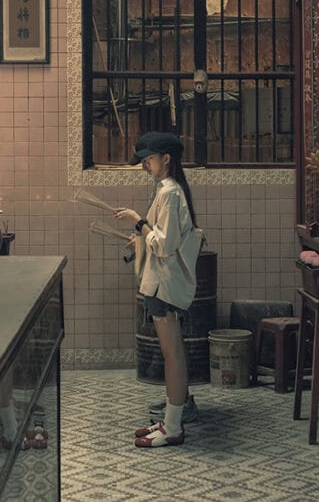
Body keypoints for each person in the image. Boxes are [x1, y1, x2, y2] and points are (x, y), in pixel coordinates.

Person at [114, 132, 202, 448]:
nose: (145, 166)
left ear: (166, 158)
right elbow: (163, 236)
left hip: (164, 284)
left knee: (173, 354)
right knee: (171, 354)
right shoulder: (168, 190)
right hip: (159, 282)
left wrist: (139, 223)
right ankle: (170, 420)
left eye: (149, 159)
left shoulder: (170, 194)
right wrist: (141, 234)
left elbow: (164, 245)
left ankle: (174, 427)